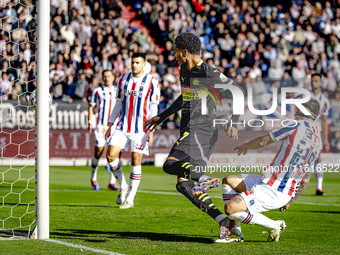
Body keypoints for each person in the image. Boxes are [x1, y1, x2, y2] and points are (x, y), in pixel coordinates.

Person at [144, 33, 243, 240]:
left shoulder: (208, 72)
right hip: (192, 129)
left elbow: (238, 91)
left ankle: (204, 178)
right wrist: (161, 117)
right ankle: (223, 220)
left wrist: (233, 121)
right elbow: (184, 98)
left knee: (169, 164)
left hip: (201, 130)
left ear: (185, 52)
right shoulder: (184, 70)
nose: (174, 56)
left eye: (176, 52)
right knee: (183, 184)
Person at [220, 98, 322, 243]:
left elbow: (263, 141)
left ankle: (274, 226)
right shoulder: (317, 140)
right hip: (276, 186)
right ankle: (236, 230)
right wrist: (291, 200)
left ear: (302, 111)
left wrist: (246, 146)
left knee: (230, 208)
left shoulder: (295, 125)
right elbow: (307, 175)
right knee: (228, 181)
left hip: (275, 189)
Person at [102, 53, 160, 209]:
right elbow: (118, 103)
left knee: (136, 160)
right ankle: (123, 185)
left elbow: (154, 106)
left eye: (137, 62)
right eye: (132, 62)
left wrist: (152, 130)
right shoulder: (123, 79)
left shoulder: (152, 81)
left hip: (141, 128)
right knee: (110, 156)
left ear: (144, 64)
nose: (134, 65)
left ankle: (130, 199)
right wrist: (109, 123)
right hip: (122, 126)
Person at [297, 73, 331, 196]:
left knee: (318, 159)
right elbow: (297, 115)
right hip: (304, 132)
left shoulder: (325, 101)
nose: (314, 83)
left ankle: (319, 188)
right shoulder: (304, 96)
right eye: (312, 80)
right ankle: (294, 185)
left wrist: (325, 139)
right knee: (300, 158)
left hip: (316, 134)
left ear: (321, 83)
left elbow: (324, 121)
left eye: (316, 81)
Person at [88, 70, 120, 191]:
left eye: (109, 76)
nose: (107, 78)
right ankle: (93, 177)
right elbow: (91, 107)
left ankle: (112, 182)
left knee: (114, 154)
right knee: (98, 152)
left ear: (113, 77)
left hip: (115, 127)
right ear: (102, 78)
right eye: (105, 77)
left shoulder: (118, 91)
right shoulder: (97, 91)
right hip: (101, 127)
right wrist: (90, 122)